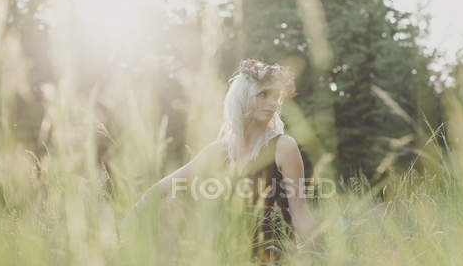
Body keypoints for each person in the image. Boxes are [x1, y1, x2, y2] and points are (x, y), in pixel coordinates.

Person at [123, 58, 320, 263]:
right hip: (224, 246)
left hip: (266, 250)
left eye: (276, 96)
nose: (272, 102)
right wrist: (130, 219)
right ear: (243, 97)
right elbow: (162, 187)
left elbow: (300, 210)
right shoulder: (219, 150)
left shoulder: (283, 146)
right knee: (171, 205)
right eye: (263, 95)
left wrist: (318, 255)